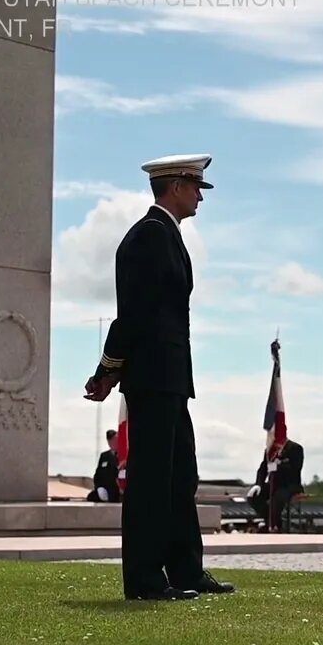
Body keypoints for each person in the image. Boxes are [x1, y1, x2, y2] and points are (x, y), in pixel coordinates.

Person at [84, 153, 234, 602]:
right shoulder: (147, 238)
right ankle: (145, 579)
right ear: (174, 187)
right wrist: (108, 370)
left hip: (170, 378)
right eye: (195, 189)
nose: (199, 198)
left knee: (179, 476)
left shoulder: (167, 236)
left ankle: (186, 569)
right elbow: (133, 314)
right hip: (151, 377)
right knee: (151, 481)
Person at [245, 438, 304, 529]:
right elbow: (263, 468)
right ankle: (271, 521)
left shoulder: (296, 448)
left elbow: (295, 469)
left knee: (278, 497)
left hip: (289, 485)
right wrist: (258, 484)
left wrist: (278, 466)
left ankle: (273, 523)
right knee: (253, 496)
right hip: (273, 483)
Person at [86, 430, 121, 503]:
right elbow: (98, 475)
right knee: (91, 497)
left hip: (116, 492)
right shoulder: (104, 456)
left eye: (115, 440)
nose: (113, 442)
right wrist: (99, 488)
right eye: (110, 440)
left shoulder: (123, 455)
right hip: (104, 490)